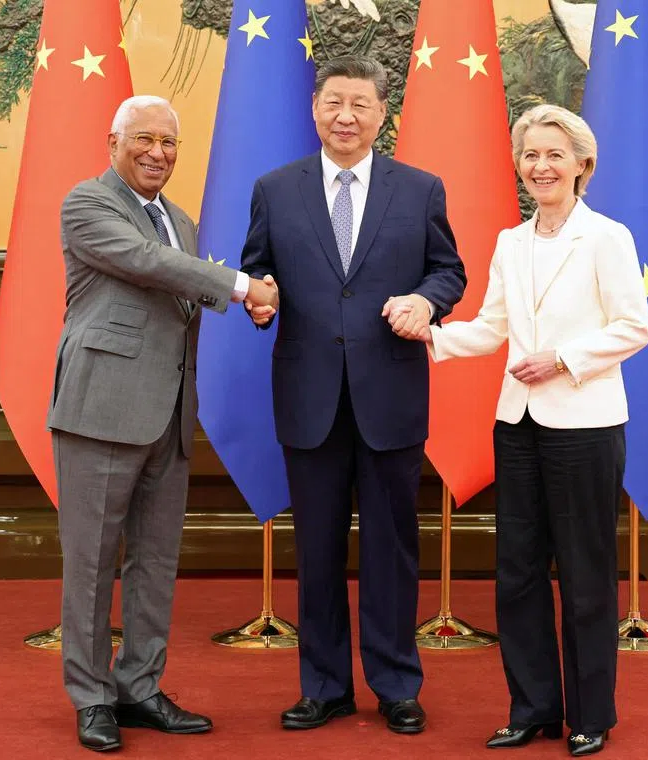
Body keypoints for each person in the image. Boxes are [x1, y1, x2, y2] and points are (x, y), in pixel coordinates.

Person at [240, 56, 466, 735]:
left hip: (390, 396)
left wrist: (427, 304)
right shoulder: (275, 189)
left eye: (360, 104)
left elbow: (447, 271)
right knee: (316, 549)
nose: (346, 116)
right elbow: (257, 270)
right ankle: (324, 685)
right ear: (315, 108)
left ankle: (396, 683)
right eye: (334, 102)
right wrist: (259, 302)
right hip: (308, 398)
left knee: (392, 548)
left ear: (380, 113)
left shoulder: (420, 188)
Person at [49, 94, 279, 752]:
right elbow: (148, 265)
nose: (158, 152)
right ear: (112, 140)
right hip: (101, 410)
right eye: (144, 139)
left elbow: (182, 284)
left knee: (154, 563)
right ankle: (91, 697)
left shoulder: (179, 218)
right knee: (92, 565)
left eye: (170, 143)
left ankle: (140, 687)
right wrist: (242, 289)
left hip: (170, 413)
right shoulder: (87, 204)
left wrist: (250, 301)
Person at [420, 104, 648, 757]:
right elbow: (492, 328)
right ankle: (533, 707)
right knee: (516, 574)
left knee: (583, 572)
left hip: (584, 423)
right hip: (516, 423)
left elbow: (634, 327)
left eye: (554, 154)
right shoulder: (508, 242)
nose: (540, 166)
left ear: (582, 164)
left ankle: (590, 714)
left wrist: (563, 359)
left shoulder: (608, 237)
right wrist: (426, 337)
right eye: (530, 155)